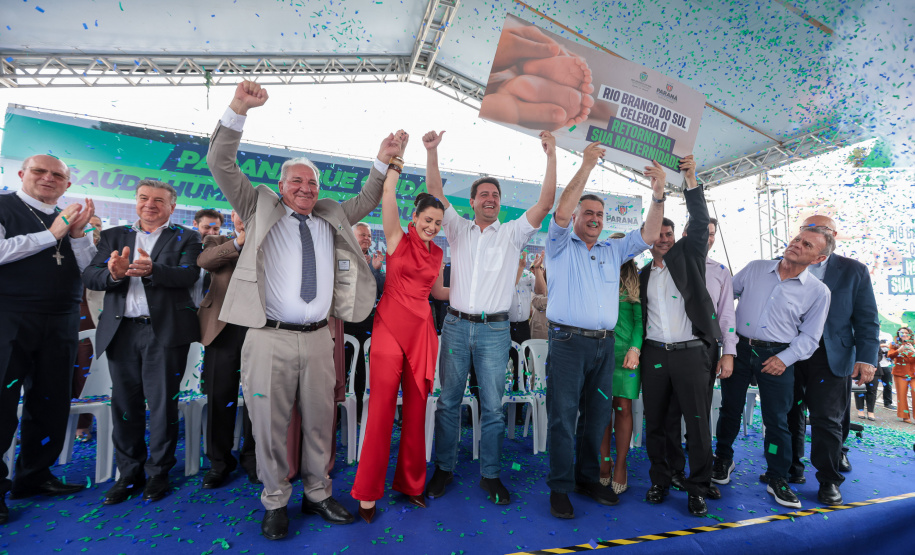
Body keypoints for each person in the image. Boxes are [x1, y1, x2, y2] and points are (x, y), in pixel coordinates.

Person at [206, 80, 400, 540]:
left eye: (311, 182)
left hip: (319, 337)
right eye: (296, 181)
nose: (306, 187)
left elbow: (369, 199)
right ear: (280, 185)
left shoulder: (330, 214)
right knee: (268, 426)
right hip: (268, 335)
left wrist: (381, 157)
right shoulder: (258, 205)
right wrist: (238, 109)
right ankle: (275, 499)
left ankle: (317, 493)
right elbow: (220, 161)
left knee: (319, 421)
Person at [423, 129, 558, 506]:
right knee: (449, 402)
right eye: (484, 194)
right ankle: (444, 469)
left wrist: (550, 155)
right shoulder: (457, 228)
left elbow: (546, 202)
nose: (491, 199)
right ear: (471, 201)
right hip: (454, 325)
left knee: (494, 407)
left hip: (496, 332)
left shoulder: (513, 233)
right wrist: (433, 152)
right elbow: (434, 192)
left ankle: (492, 476)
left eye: (495, 196)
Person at [543, 143, 664, 519]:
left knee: (597, 417)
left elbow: (649, 233)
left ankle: (586, 477)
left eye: (600, 214)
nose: (594, 218)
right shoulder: (560, 244)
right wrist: (587, 165)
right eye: (588, 212)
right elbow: (561, 210)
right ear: (577, 215)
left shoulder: (614, 250)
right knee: (564, 418)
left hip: (604, 347)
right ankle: (560, 487)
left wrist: (658, 194)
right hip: (566, 343)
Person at [83, 180, 202, 506]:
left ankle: (159, 472)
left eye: (159, 200)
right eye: (144, 198)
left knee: (163, 406)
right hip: (122, 333)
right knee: (125, 406)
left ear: (171, 206)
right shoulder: (113, 236)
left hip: (164, 333)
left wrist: (152, 270)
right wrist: (113, 274)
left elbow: (189, 275)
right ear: (136, 201)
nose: (150, 204)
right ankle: (129, 473)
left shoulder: (187, 236)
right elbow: (90, 276)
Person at [0, 155, 95, 523]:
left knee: (51, 402)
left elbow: (89, 269)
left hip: (60, 320)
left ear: (67, 185)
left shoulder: (71, 220)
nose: (48, 178)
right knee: (2, 404)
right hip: (9, 318)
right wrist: (52, 234)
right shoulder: (5, 206)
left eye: (58, 175)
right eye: (40, 171)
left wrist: (75, 235)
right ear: (22, 174)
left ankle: (35, 476)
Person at [350, 177, 449, 523]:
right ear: (415, 216)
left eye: (438, 223)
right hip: (390, 328)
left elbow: (438, 293)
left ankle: (411, 483)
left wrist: (484, 289)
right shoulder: (396, 238)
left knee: (418, 412)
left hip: (423, 334)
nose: (433, 227)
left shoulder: (438, 253)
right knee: (380, 412)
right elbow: (387, 196)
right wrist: (394, 166)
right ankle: (366, 493)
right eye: (428, 220)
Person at [712, 227, 833, 509]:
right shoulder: (756, 268)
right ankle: (723, 459)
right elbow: (724, 296)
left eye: (807, 245)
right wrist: (724, 343)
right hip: (739, 349)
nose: (797, 245)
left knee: (777, 420)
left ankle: (777, 477)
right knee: (730, 407)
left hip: (778, 355)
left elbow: (811, 337)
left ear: (819, 259)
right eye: (796, 239)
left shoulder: (818, 292)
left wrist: (785, 359)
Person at [637, 156, 721, 517]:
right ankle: (663, 477)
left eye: (670, 234)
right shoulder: (641, 275)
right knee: (657, 422)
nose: (664, 238)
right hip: (655, 354)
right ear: (650, 236)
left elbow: (700, 222)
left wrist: (689, 178)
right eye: (659, 234)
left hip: (691, 354)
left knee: (698, 424)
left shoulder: (689, 257)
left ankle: (699, 486)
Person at [785, 215, 878, 506]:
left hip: (830, 355)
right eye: (804, 230)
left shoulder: (853, 270)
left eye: (819, 230)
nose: (808, 234)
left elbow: (866, 319)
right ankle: (790, 468)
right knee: (787, 413)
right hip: (788, 352)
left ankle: (828, 479)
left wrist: (866, 358)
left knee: (827, 419)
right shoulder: (784, 263)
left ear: (831, 239)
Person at [666, 217, 736, 501]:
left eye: (710, 234)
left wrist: (728, 352)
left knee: (698, 419)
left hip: (704, 351)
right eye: (700, 233)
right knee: (668, 417)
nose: (706, 238)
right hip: (667, 352)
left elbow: (727, 316)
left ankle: (701, 480)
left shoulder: (720, 271)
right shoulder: (668, 265)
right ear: (685, 235)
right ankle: (673, 473)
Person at [196, 210, 258, 489]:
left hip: (259, 330)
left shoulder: (274, 243)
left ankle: (254, 458)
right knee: (219, 399)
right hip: (222, 330)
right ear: (232, 217)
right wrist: (240, 242)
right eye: (238, 213)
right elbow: (206, 261)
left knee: (258, 400)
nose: (244, 217)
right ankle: (219, 463)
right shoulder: (217, 241)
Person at [598, 233, 642, 495]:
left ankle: (621, 465)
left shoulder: (635, 281)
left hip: (627, 355)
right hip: (599, 352)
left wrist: (635, 349)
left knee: (623, 409)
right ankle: (605, 463)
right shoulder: (597, 276)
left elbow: (640, 321)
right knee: (602, 411)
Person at [343, 221, 386, 418]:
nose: (367, 238)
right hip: (347, 323)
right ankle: (338, 415)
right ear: (352, 237)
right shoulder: (343, 257)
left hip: (369, 324)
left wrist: (376, 270)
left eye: (369, 235)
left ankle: (360, 412)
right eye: (362, 235)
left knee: (363, 368)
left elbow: (378, 291)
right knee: (341, 369)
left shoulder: (375, 261)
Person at [190, 209, 224, 307]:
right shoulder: (182, 249)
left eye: (216, 229)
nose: (211, 233)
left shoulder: (223, 254)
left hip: (208, 312)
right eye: (206, 227)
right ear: (195, 224)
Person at [888, 327, 915, 423]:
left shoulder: (914, 343)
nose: (904, 334)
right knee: (901, 395)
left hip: (913, 373)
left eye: (906, 332)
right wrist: (899, 350)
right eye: (901, 333)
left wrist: (913, 350)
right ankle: (905, 416)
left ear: (910, 334)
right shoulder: (894, 344)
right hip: (900, 373)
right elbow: (889, 355)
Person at [529, 254, 548, 340]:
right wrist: (558, 299)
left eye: (541, 268)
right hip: (540, 331)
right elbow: (538, 303)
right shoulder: (532, 282)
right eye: (536, 268)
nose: (539, 270)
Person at [878, 341, 894, 409]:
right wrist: (881, 345)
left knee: (888, 385)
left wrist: (888, 346)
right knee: (872, 385)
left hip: (887, 364)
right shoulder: (871, 335)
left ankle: (888, 403)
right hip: (876, 364)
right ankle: (868, 403)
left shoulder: (888, 335)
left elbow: (893, 349)